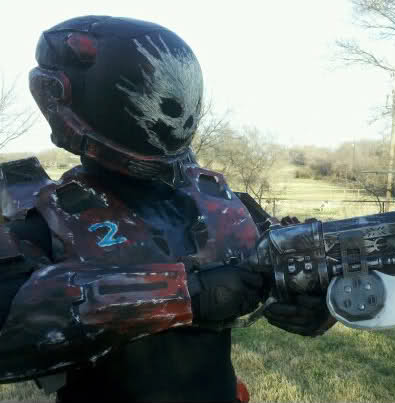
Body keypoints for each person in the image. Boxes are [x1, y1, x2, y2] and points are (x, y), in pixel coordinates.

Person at [0, 16, 334, 402]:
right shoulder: (42, 216)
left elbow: (293, 267)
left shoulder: (220, 201)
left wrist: (318, 304)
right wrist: (187, 294)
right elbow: (11, 329)